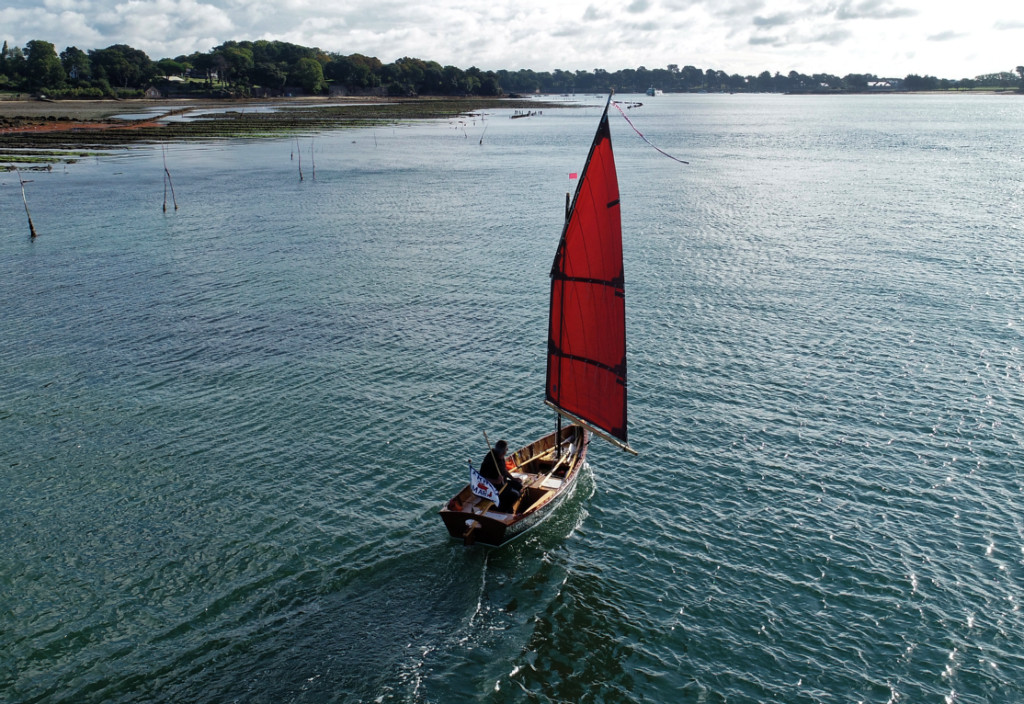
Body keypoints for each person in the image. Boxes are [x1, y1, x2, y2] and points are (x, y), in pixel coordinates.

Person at [479, 440, 523, 512]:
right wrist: (496, 481)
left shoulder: (501, 457)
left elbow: (504, 470)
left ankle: (506, 502)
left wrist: (513, 478)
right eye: (506, 449)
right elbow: (482, 478)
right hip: (494, 488)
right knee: (515, 495)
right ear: (503, 451)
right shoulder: (489, 461)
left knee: (519, 485)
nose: (507, 450)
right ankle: (501, 508)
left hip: (503, 483)